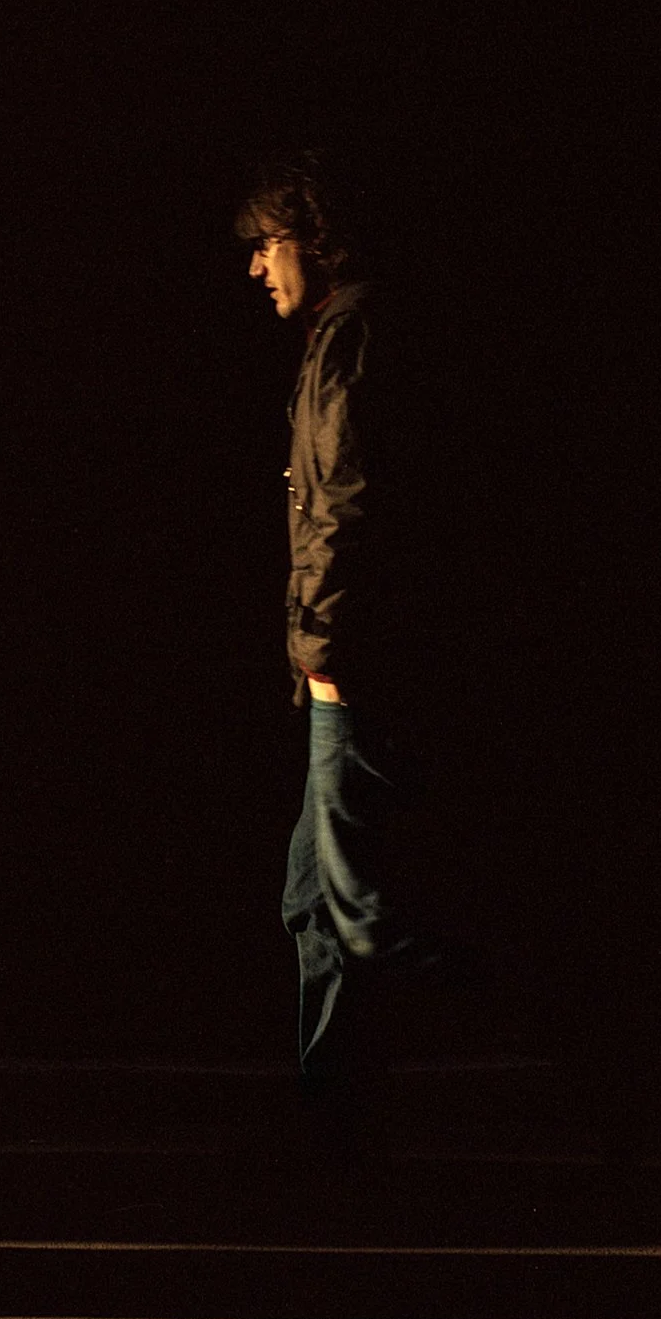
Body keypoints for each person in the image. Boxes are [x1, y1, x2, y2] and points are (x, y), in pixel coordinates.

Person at [239, 150, 459, 1166]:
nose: (255, 268)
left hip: (350, 665)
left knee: (363, 915)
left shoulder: (352, 341)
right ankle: (331, 1122)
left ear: (313, 243)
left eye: (266, 244)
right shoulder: (342, 336)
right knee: (312, 905)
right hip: (339, 660)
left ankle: (582, 1044)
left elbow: (345, 514)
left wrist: (324, 657)